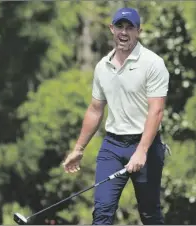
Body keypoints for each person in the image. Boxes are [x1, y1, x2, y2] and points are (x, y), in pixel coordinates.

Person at [62, 7, 170, 225]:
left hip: (146, 144)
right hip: (112, 146)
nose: (124, 32)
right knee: (102, 212)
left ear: (138, 31)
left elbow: (156, 110)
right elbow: (95, 109)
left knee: (150, 213)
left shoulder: (153, 63)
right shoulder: (103, 67)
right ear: (111, 29)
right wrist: (78, 149)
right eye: (119, 26)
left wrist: (141, 151)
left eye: (130, 27)